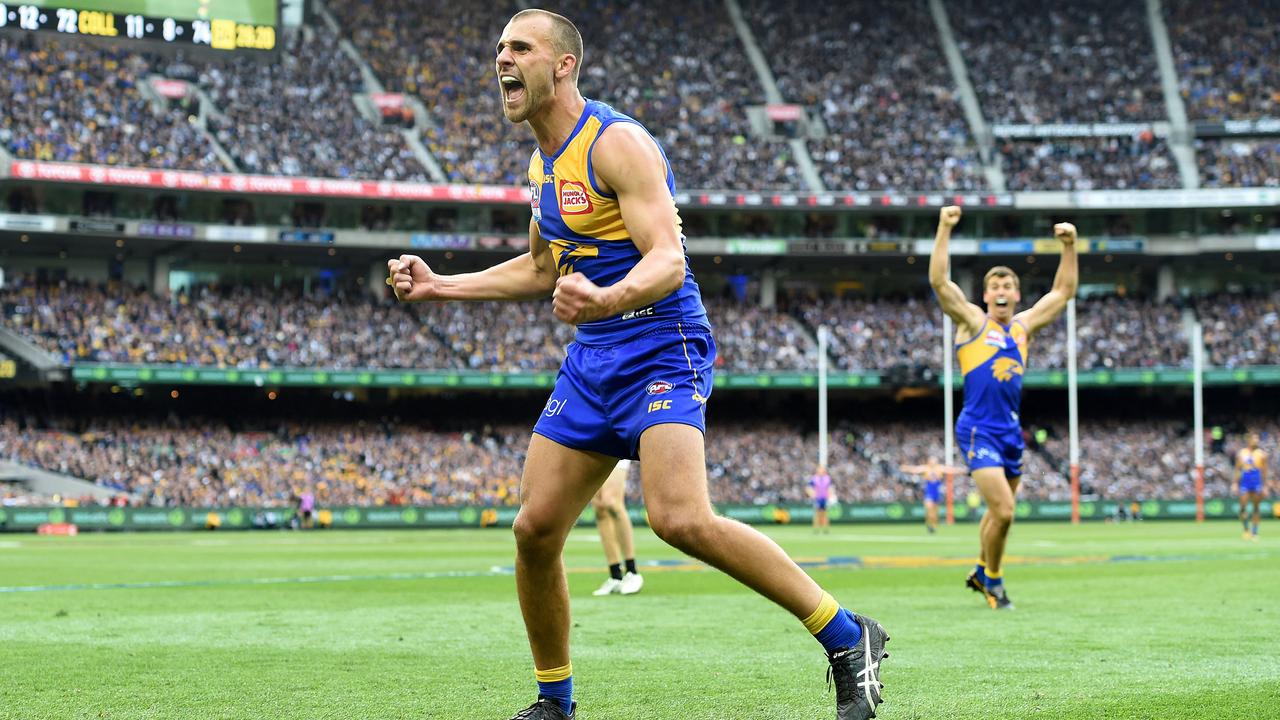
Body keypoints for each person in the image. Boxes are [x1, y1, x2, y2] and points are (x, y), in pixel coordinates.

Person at [388, 10, 888, 719]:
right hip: (594, 358)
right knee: (534, 530)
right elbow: (539, 267)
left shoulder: (616, 143)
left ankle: (847, 636)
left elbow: (667, 258)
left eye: (520, 47)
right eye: (498, 47)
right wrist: (444, 286)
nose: (502, 58)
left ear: (563, 65)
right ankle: (554, 701)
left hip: (662, 341)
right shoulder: (541, 165)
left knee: (679, 519)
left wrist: (606, 295)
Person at [928, 205, 1077, 610]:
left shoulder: (1022, 327)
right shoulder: (973, 323)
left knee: (999, 516)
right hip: (978, 428)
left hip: (1011, 431)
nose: (1001, 290)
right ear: (985, 295)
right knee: (1005, 511)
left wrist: (1070, 247)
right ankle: (993, 581)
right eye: (994, 284)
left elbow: (1062, 293)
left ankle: (981, 569)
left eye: (1008, 285)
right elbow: (940, 281)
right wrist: (944, 227)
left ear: (1015, 295)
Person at [590, 460, 644, 595]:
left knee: (612, 502)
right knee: (599, 508)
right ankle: (615, 575)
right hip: (592, 443)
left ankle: (632, 572)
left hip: (614, 440)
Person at [899, 458, 966, 534]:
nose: (933, 462)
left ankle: (933, 526)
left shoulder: (939, 468)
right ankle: (929, 524)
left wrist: (961, 470)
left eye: (934, 461)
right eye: (931, 461)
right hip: (929, 492)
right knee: (929, 508)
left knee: (935, 512)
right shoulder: (925, 468)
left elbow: (950, 470)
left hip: (936, 492)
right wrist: (905, 468)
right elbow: (915, 469)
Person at [1236, 432, 1267, 540]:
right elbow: (1237, 469)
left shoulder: (1262, 454)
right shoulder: (1242, 453)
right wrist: (1235, 483)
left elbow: (1264, 471)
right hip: (1245, 481)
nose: (1256, 441)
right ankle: (1245, 529)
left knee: (1256, 507)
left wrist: (1265, 485)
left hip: (1256, 481)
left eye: (1257, 439)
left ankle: (1254, 532)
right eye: (1254, 438)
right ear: (1248, 440)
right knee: (1243, 507)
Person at [807, 465, 834, 533]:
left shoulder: (827, 478)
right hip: (818, 498)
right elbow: (809, 487)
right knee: (817, 514)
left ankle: (826, 529)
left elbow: (830, 488)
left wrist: (830, 496)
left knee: (825, 514)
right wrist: (812, 494)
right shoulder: (814, 478)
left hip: (825, 498)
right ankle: (816, 529)